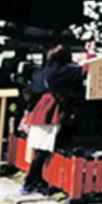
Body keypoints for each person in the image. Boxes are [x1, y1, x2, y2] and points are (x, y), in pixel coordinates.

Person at [21, 43, 85, 194]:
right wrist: (89, 55)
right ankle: (29, 184)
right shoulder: (62, 71)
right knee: (43, 149)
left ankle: (39, 181)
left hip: (39, 111)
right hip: (50, 113)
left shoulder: (44, 71)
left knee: (40, 149)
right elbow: (83, 70)